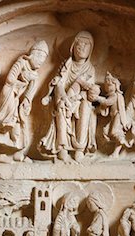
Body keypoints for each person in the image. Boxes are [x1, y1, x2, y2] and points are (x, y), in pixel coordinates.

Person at [0, 41, 49, 162]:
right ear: (33, 54)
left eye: (43, 59)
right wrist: (23, 79)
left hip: (16, 98)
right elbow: (9, 79)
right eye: (39, 57)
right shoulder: (21, 62)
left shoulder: (34, 74)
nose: (41, 61)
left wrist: (27, 102)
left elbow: (30, 91)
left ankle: (15, 151)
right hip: (9, 94)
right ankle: (3, 146)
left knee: (19, 121)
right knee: (9, 121)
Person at [39, 31, 98, 162]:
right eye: (79, 44)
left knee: (85, 107)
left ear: (91, 49)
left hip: (81, 99)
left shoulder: (90, 69)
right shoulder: (66, 65)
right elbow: (59, 82)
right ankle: (62, 147)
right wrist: (64, 96)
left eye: (86, 45)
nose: (81, 47)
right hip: (65, 98)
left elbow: (91, 91)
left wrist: (81, 95)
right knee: (60, 106)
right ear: (73, 47)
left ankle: (79, 148)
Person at [97, 72, 132, 158]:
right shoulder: (112, 95)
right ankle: (116, 151)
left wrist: (97, 98)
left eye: (110, 85)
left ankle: (122, 142)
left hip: (118, 116)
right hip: (114, 116)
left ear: (116, 86)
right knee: (106, 131)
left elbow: (107, 102)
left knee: (114, 132)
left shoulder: (115, 96)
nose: (107, 87)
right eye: (106, 85)